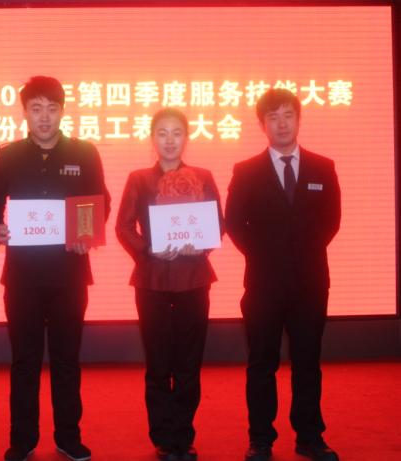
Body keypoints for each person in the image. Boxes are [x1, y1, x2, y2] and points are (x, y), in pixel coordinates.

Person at [0, 76, 110, 461]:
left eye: (52, 108)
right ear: (24, 112)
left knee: (66, 359)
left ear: (62, 111)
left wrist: (85, 234)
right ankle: (22, 439)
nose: (44, 117)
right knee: (24, 360)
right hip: (22, 275)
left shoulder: (84, 152)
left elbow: (99, 201)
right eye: (36, 108)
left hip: (69, 273)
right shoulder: (8, 155)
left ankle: (68, 436)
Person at [224, 88, 341, 461]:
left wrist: (300, 254)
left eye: (288, 115)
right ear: (262, 125)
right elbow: (233, 223)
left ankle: (310, 437)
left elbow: (331, 221)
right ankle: (260, 439)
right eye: (273, 117)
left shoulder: (323, 167)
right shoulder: (245, 171)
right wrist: (264, 255)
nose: (282, 123)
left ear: (299, 119)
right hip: (263, 284)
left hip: (310, 282)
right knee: (262, 363)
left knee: (308, 363)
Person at [115, 108, 223, 461]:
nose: (170, 140)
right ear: (152, 138)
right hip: (153, 281)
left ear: (187, 137)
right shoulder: (139, 179)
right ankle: (163, 437)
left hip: (194, 279)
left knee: (189, 363)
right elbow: (123, 226)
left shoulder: (203, 176)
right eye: (162, 133)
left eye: (177, 132)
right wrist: (149, 249)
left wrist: (201, 244)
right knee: (159, 362)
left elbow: (217, 223)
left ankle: (184, 436)